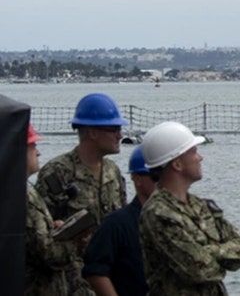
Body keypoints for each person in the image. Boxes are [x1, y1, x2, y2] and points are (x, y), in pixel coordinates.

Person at [138, 121, 240, 296]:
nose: (200, 157)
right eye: (194, 152)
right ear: (177, 164)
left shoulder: (200, 205)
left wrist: (209, 252)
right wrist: (222, 254)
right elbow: (200, 270)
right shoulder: (159, 213)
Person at [36, 92, 129, 296]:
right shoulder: (57, 173)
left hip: (110, 281)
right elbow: (41, 238)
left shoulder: (113, 172)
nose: (120, 135)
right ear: (92, 133)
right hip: (71, 285)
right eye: (114, 129)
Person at [81, 146, 154, 296]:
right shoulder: (117, 224)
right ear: (138, 179)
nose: (164, 181)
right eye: (156, 176)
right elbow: (95, 270)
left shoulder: (179, 218)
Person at [25, 122, 75, 296]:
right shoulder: (24, 197)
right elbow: (48, 255)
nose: (38, 152)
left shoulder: (21, 190)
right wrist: (74, 240)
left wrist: (52, 229)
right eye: (33, 146)